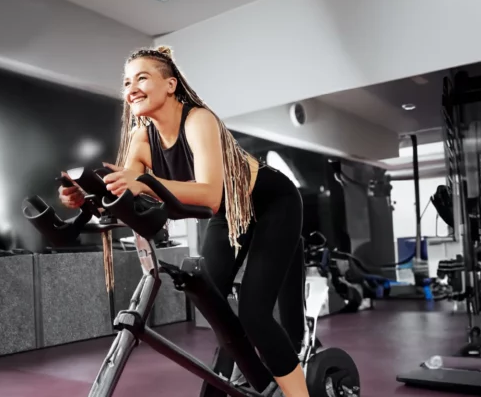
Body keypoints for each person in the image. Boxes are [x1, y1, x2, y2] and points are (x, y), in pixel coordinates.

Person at [59, 46, 308, 397]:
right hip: (229, 215)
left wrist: (143, 184)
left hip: (270, 202)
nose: (131, 87)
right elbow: (126, 190)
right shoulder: (141, 137)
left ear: (170, 84)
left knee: (253, 312)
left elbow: (208, 194)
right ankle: (242, 389)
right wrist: (87, 197)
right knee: (213, 305)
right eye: (127, 81)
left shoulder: (198, 119)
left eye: (142, 77)